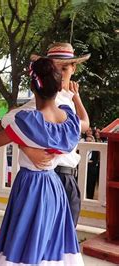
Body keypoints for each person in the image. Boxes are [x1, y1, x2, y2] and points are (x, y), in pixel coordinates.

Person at [0, 58, 83, 265]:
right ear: (58, 87)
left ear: (33, 86)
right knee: (49, 240)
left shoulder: (26, 120)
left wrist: (24, 145)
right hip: (54, 186)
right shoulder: (70, 121)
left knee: (23, 239)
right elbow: (83, 125)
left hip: (30, 185)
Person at [18, 42, 90, 226]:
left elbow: (85, 125)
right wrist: (25, 147)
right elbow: (16, 123)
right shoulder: (46, 99)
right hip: (51, 175)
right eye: (55, 68)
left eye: (65, 68)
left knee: (64, 240)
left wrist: (76, 98)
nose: (60, 74)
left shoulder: (68, 99)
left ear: (74, 68)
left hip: (67, 176)